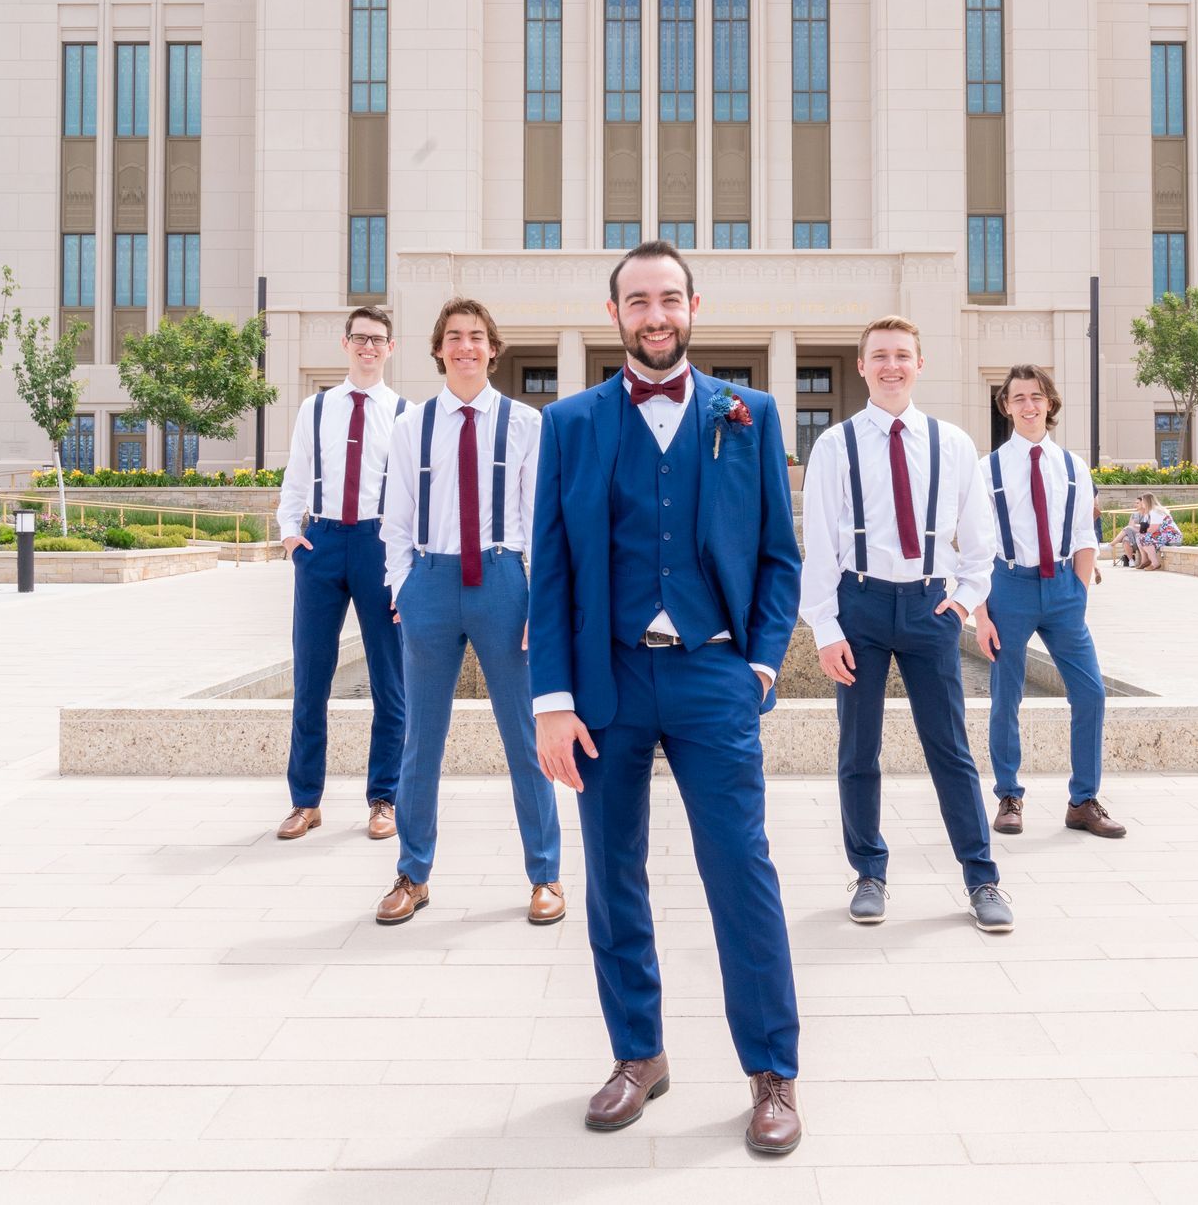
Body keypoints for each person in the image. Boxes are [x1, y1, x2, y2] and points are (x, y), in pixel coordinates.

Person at [530, 241, 804, 1154]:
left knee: (742, 870)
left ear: (695, 306)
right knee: (612, 876)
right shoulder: (569, 423)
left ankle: (772, 1070)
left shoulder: (749, 414)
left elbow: (778, 555)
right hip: (604, 682)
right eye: (638, 300)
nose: (656, 314)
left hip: (711, 673)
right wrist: (551, 699)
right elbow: (554, 569)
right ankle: (637, 1055)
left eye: (670, 298)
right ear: (615, 314)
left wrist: (760, 664)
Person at [801, 315, 1010, 933]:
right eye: (879, 356)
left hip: (928, 607)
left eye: (902, 355)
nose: (891, 366)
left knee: (950, 748)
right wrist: (825, 629)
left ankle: (982, 877)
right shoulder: (834, 445)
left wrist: (965, 597)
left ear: (921, 365)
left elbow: (978, 540)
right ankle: (869, 871)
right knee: (857, 749)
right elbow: (817, 545)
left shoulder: (953, 445)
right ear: (862, 366)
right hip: (858, 605)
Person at [375, 298, 563, 927]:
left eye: (476, 337)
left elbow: (543, 522)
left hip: (504, 581)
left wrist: (542, 600)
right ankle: (413, 873)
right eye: (454, 337)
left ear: (492, 348)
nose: (465, 347)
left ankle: (545, 874)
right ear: (438, 349)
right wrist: (403, 587)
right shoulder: (411, 426)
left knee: (526, 735)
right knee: (419, 740)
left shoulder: (524, 424)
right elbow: (395, 520)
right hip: (429, 580)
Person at [273, 306, 410, 842]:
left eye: (377, 340)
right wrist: (291, 538)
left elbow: (413, 498)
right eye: (360, 338)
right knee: (310, 677)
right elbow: (296, 475)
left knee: (389, 682)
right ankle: (305, 801)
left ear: (391, 348)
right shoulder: (317, 407)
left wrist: (407, 570)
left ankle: (384, 799)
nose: (368, 347)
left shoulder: (405, 412)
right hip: (323, 543)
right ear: (345, 343)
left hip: (379, 546)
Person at [975, 364, 1127, 842]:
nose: (1028, 405)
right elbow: (975, 546)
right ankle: (1008, 795)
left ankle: (1083, 801)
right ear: (1006, 406)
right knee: (1006, 696)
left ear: (1050, 403)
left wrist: (1077, 594)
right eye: (1018, 397)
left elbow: (1085, 533)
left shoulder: (1072, 466)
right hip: (1009, 587)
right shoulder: (987, 468)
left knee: (1091, 693)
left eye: (1036, 396)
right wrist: (980, 614)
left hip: (1063, 588)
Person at [1117, 493, 1182, 570]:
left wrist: (1140, 530)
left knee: (1144, 538)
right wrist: (1133, 526)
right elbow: (1144, 528)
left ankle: (1155, 563)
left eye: (1143, 501)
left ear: (1147, 502)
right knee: (1139, 536)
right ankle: (1145, 561)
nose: (1142, 503)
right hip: (1162, 534)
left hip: (1172, 535)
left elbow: (1152, 529)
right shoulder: (1148, 512)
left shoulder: (1156, 511)